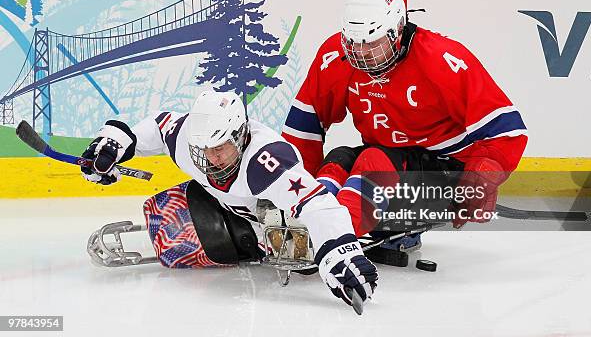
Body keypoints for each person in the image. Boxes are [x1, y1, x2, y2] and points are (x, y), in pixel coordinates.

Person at [282, 0, 528, 249]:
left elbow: (508, 132)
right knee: (339, 160)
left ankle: (332, 238)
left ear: (397, 30)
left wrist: (479, 181)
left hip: (444, 171)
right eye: (353, 44)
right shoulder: (335, 55)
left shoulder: (441, 60)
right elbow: (303, 127)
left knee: (373, 160)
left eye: (372, 45)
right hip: (389, 161)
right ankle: (307, 223)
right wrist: (294, 189)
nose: (361, 56)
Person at [80, 90, 378, 312]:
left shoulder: (266, 161)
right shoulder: (190, 138)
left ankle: (366, 180)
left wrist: (340, 256)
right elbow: (159, 126)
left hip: (277, 212)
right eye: (204, 149)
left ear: (241, 134)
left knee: (338, 210)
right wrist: (115, 145)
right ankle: (342, 162)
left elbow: (318, 204)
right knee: (339, 161)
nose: (211, 158)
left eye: (220, 147)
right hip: (235, 209)